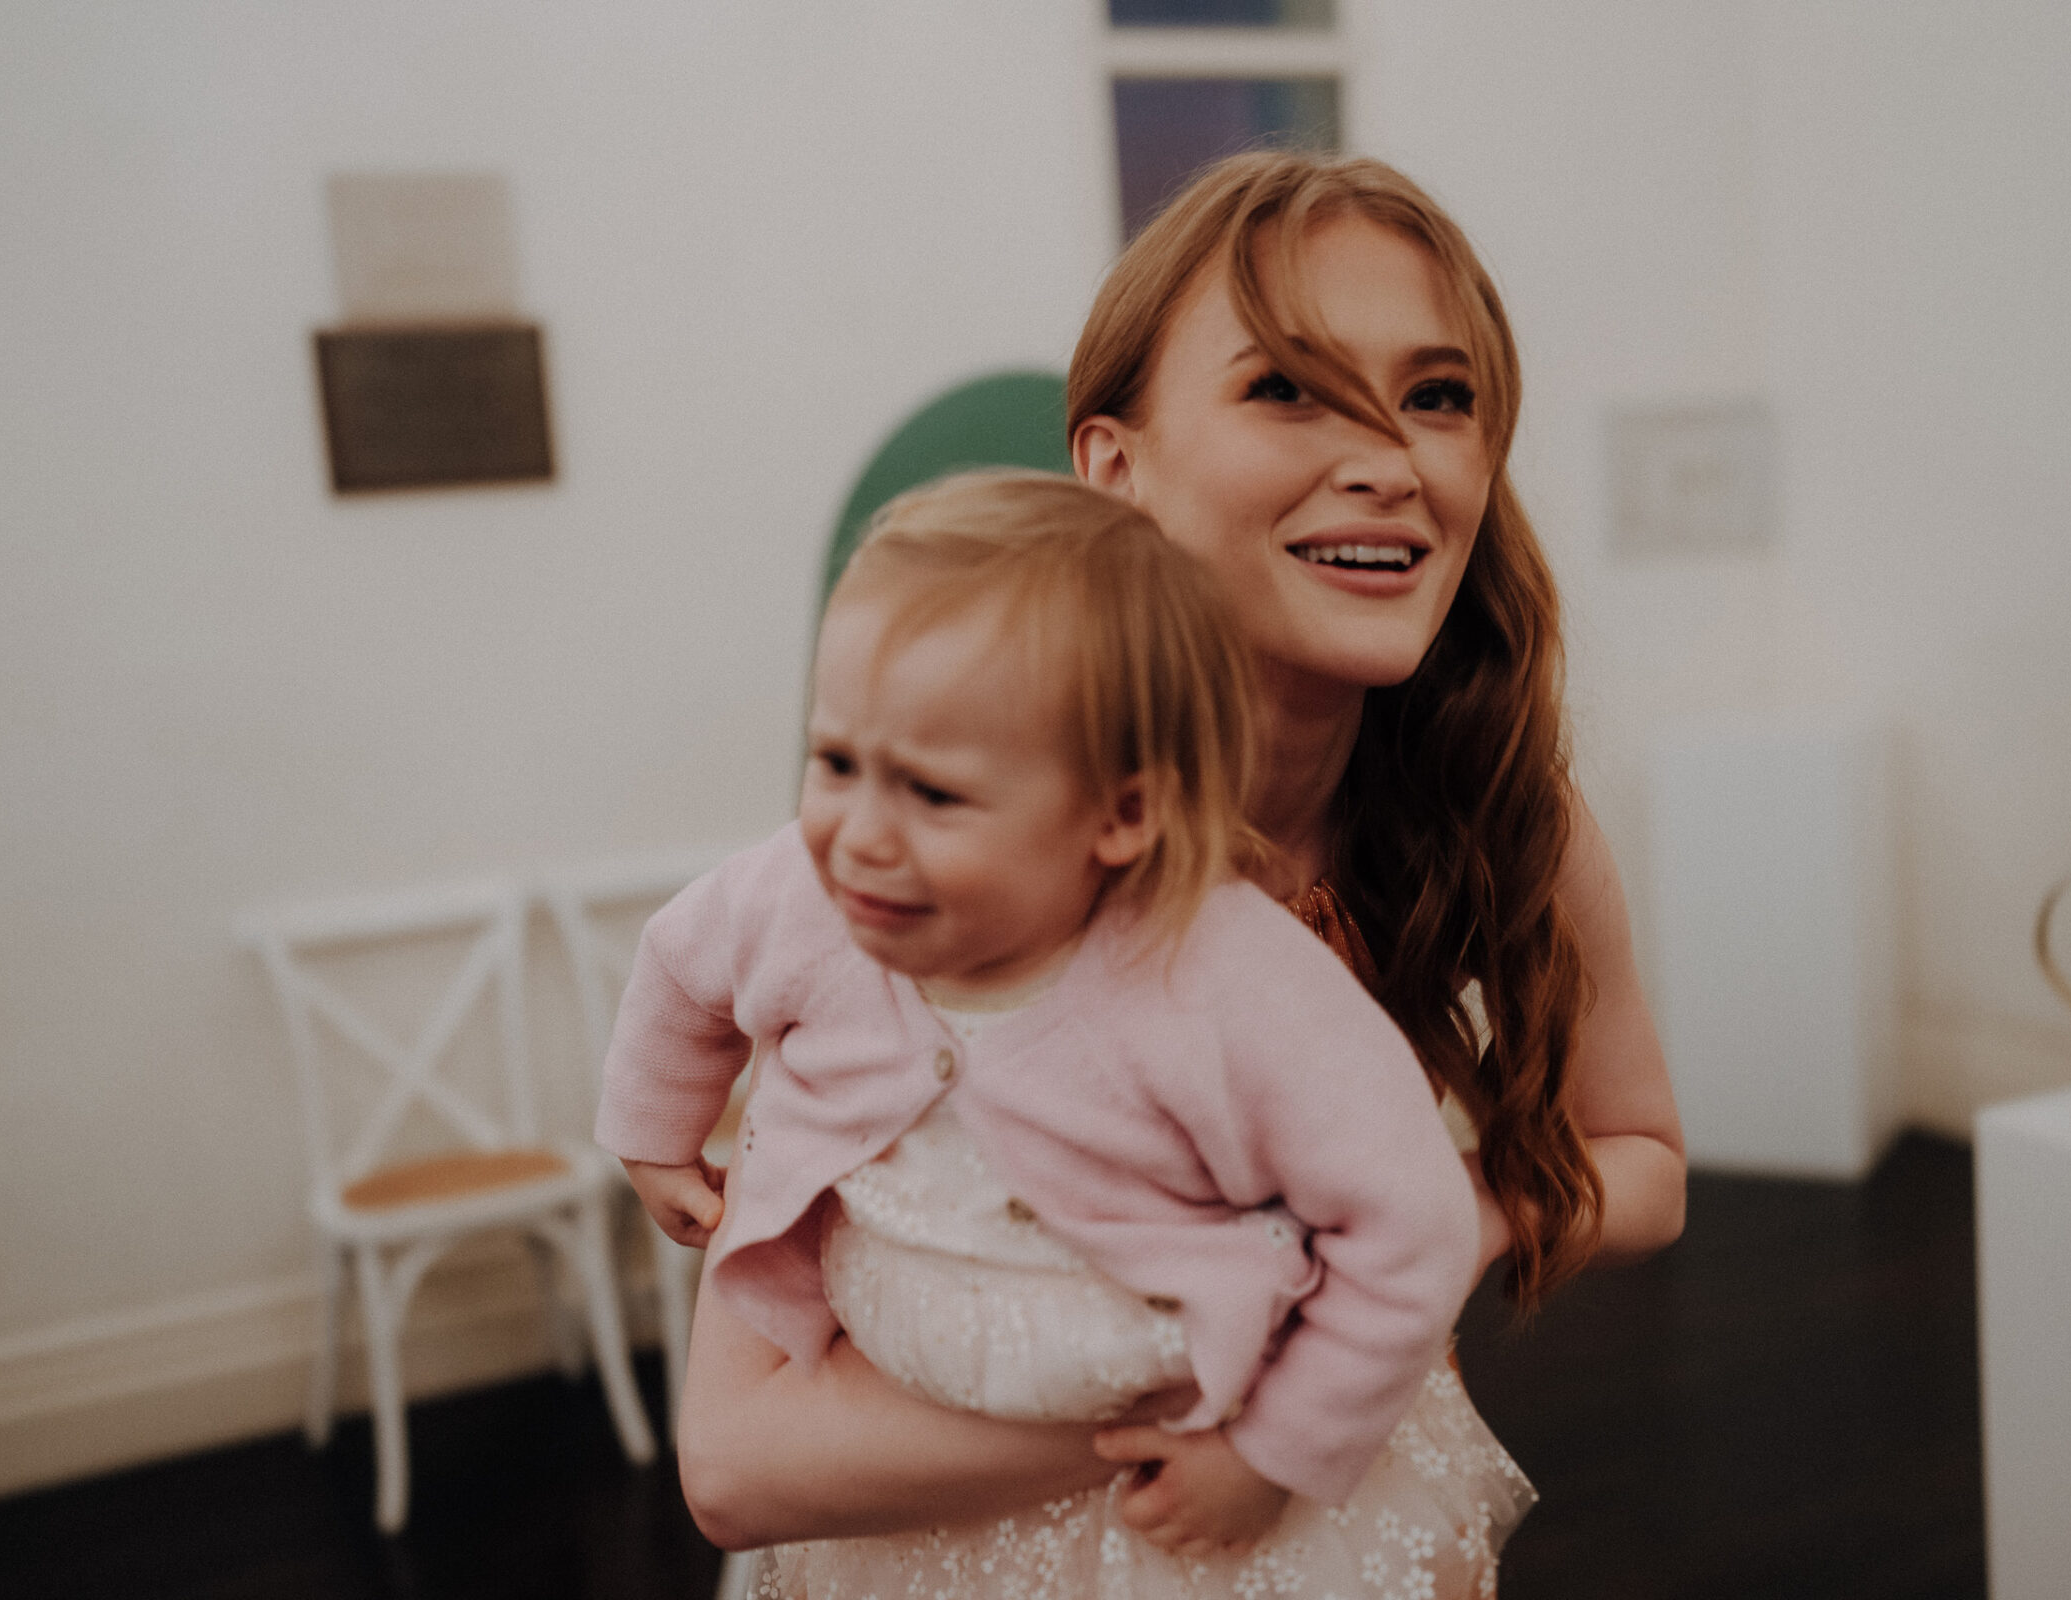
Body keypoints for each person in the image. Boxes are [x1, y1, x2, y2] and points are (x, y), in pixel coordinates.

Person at [675, 150, 1688, 1594]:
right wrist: (1257, 1394)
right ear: (1114, 466)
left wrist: (1462, 1222)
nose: (1390, 459)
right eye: (1287, 387)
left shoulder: (1501, 815)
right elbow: (734, 1463)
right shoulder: (962, 865)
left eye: (1438, 397)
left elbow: (1645, 1163)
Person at [599, 469, 1534, 1596]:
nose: (859, 832)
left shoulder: (1228, 977)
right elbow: (681, 963)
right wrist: (657, 1131)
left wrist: (1271, 1452)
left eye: (934, 794)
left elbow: (1414, 1222)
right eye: (837, 762)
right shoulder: (803, 891)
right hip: (910, 1488)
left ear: (1121, 812)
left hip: (1171, 1496)